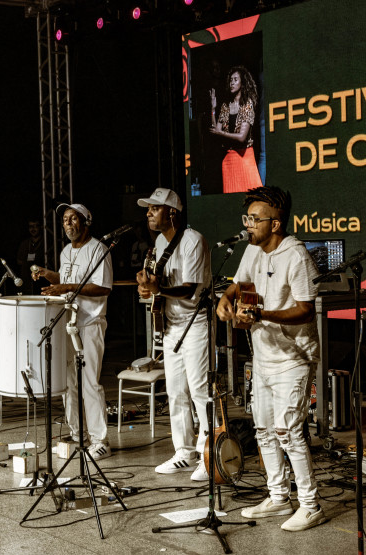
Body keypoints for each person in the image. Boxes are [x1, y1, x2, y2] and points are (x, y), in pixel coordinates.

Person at [216, 186, 326, 532]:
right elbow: (239, 283)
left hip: (294, 358)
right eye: (246, 218)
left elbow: (306, 311)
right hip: (262, 355)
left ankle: (310, 503)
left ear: (275, 224)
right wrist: (225, 298)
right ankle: (279, 496)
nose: (248, 225)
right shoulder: (253, 249)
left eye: (254, 219)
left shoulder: (296, 257)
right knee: (263, 429)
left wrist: (264, 314)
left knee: (288, 430)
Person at [135, 187, 212, 480]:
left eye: (154, 208)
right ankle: (184, 452)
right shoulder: (158, 243)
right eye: (149, 209)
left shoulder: (193, 241)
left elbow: (189, 288)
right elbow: (160, 286)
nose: (149, 214)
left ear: (172, 213)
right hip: (171, 324)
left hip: (195, 321)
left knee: (199, 392)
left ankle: (208, 454)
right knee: (176, 391)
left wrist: (158, 289)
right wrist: (148, 286)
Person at [32, 203, 113, 460]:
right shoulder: (66, 251)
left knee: (89, 382)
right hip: (68, 321)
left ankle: (101, 440)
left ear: (86, 221)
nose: (68, 223)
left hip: (90, 322)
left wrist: (64, 285)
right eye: (65, 219)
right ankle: (79, 435)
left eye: (73, 218)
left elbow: (102, 287)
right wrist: (50, 276)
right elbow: (68, 281)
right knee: (69, 383)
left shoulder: (99, 249)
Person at [209, 66, 263, 193]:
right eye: (230, 80)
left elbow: (241, 137)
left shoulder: (247, 104)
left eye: (235, 80)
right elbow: (216, 131)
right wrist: (213, 109)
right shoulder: (225, 106)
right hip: (229, 159)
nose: (232, 83)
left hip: (245, 158)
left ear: (242, 83)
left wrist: (221, 133)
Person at [16, 219, 46, 295]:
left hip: (43, 280)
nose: (33, 229)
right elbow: (18, 261)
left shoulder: (46, 242)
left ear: (41, 227)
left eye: (36, 226)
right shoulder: (25, 244)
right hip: (27, 281)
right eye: (31, 227)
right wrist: (27, 263)